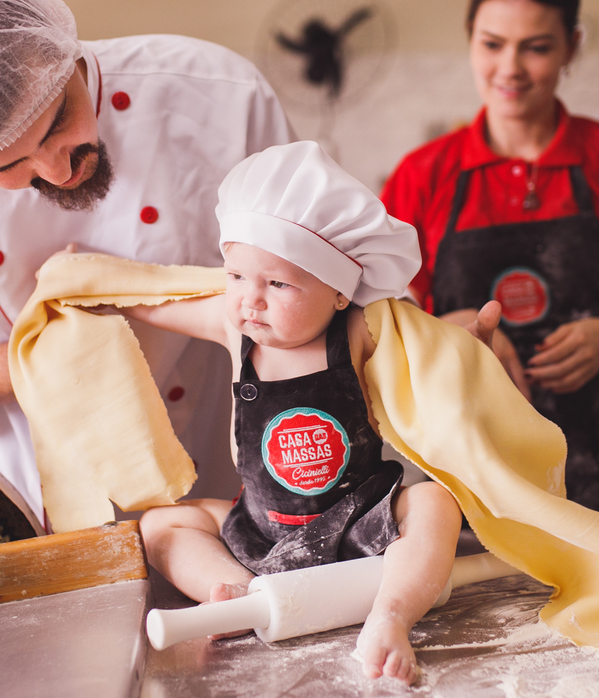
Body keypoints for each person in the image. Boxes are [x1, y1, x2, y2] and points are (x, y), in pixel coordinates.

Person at [0, 0, 295, 521]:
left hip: (229, 480)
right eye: (6, 166)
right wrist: (67, 347)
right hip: (36, 512)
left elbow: (315, 270)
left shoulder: (221, 96)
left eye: (59, 119)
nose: (58, 171)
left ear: (60, 46)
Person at [108, 141, 461, 684]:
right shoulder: (236, 330)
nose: (250, 299)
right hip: (262, 532)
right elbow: (156, 298)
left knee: (435, 499)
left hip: (359, 528)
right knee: (160, 524)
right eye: (235, 277)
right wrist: (95, 293)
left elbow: (435, 346)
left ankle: (390, 617)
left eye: (277, 283)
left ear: (340, 292)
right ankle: (235, 594)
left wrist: (471, 344)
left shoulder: (361, 331)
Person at [381, 0, 599, 524]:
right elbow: (382, 329)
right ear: (470, 41)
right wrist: (455, 332)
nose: (511, 68)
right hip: (467, 461)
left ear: (572, 47)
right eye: (493, 43)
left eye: (538, 46)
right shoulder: (421, 175)